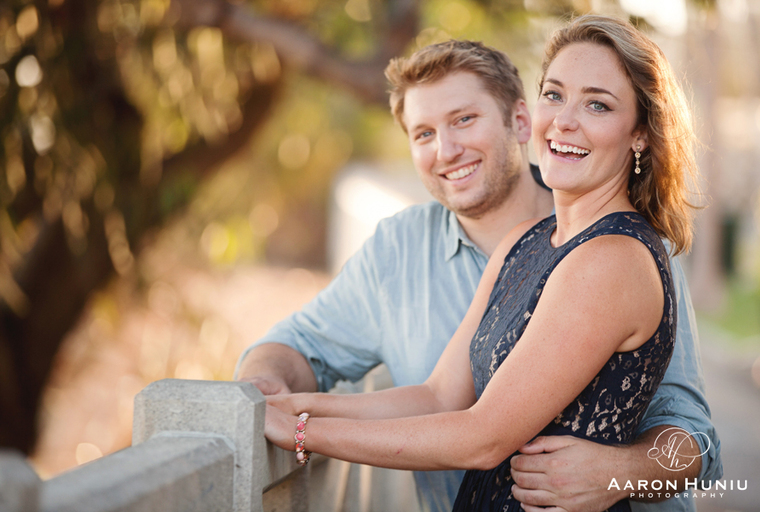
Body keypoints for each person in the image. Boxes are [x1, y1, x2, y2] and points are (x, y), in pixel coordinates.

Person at [237, 27, 722, 512]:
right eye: (555, 94)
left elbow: (483, 437)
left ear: (640, 132)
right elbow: (439, 397)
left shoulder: (616, 257)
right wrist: (293, 408)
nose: (565, 121)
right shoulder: (524, 241)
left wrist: (622, 474)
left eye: (598, 104)